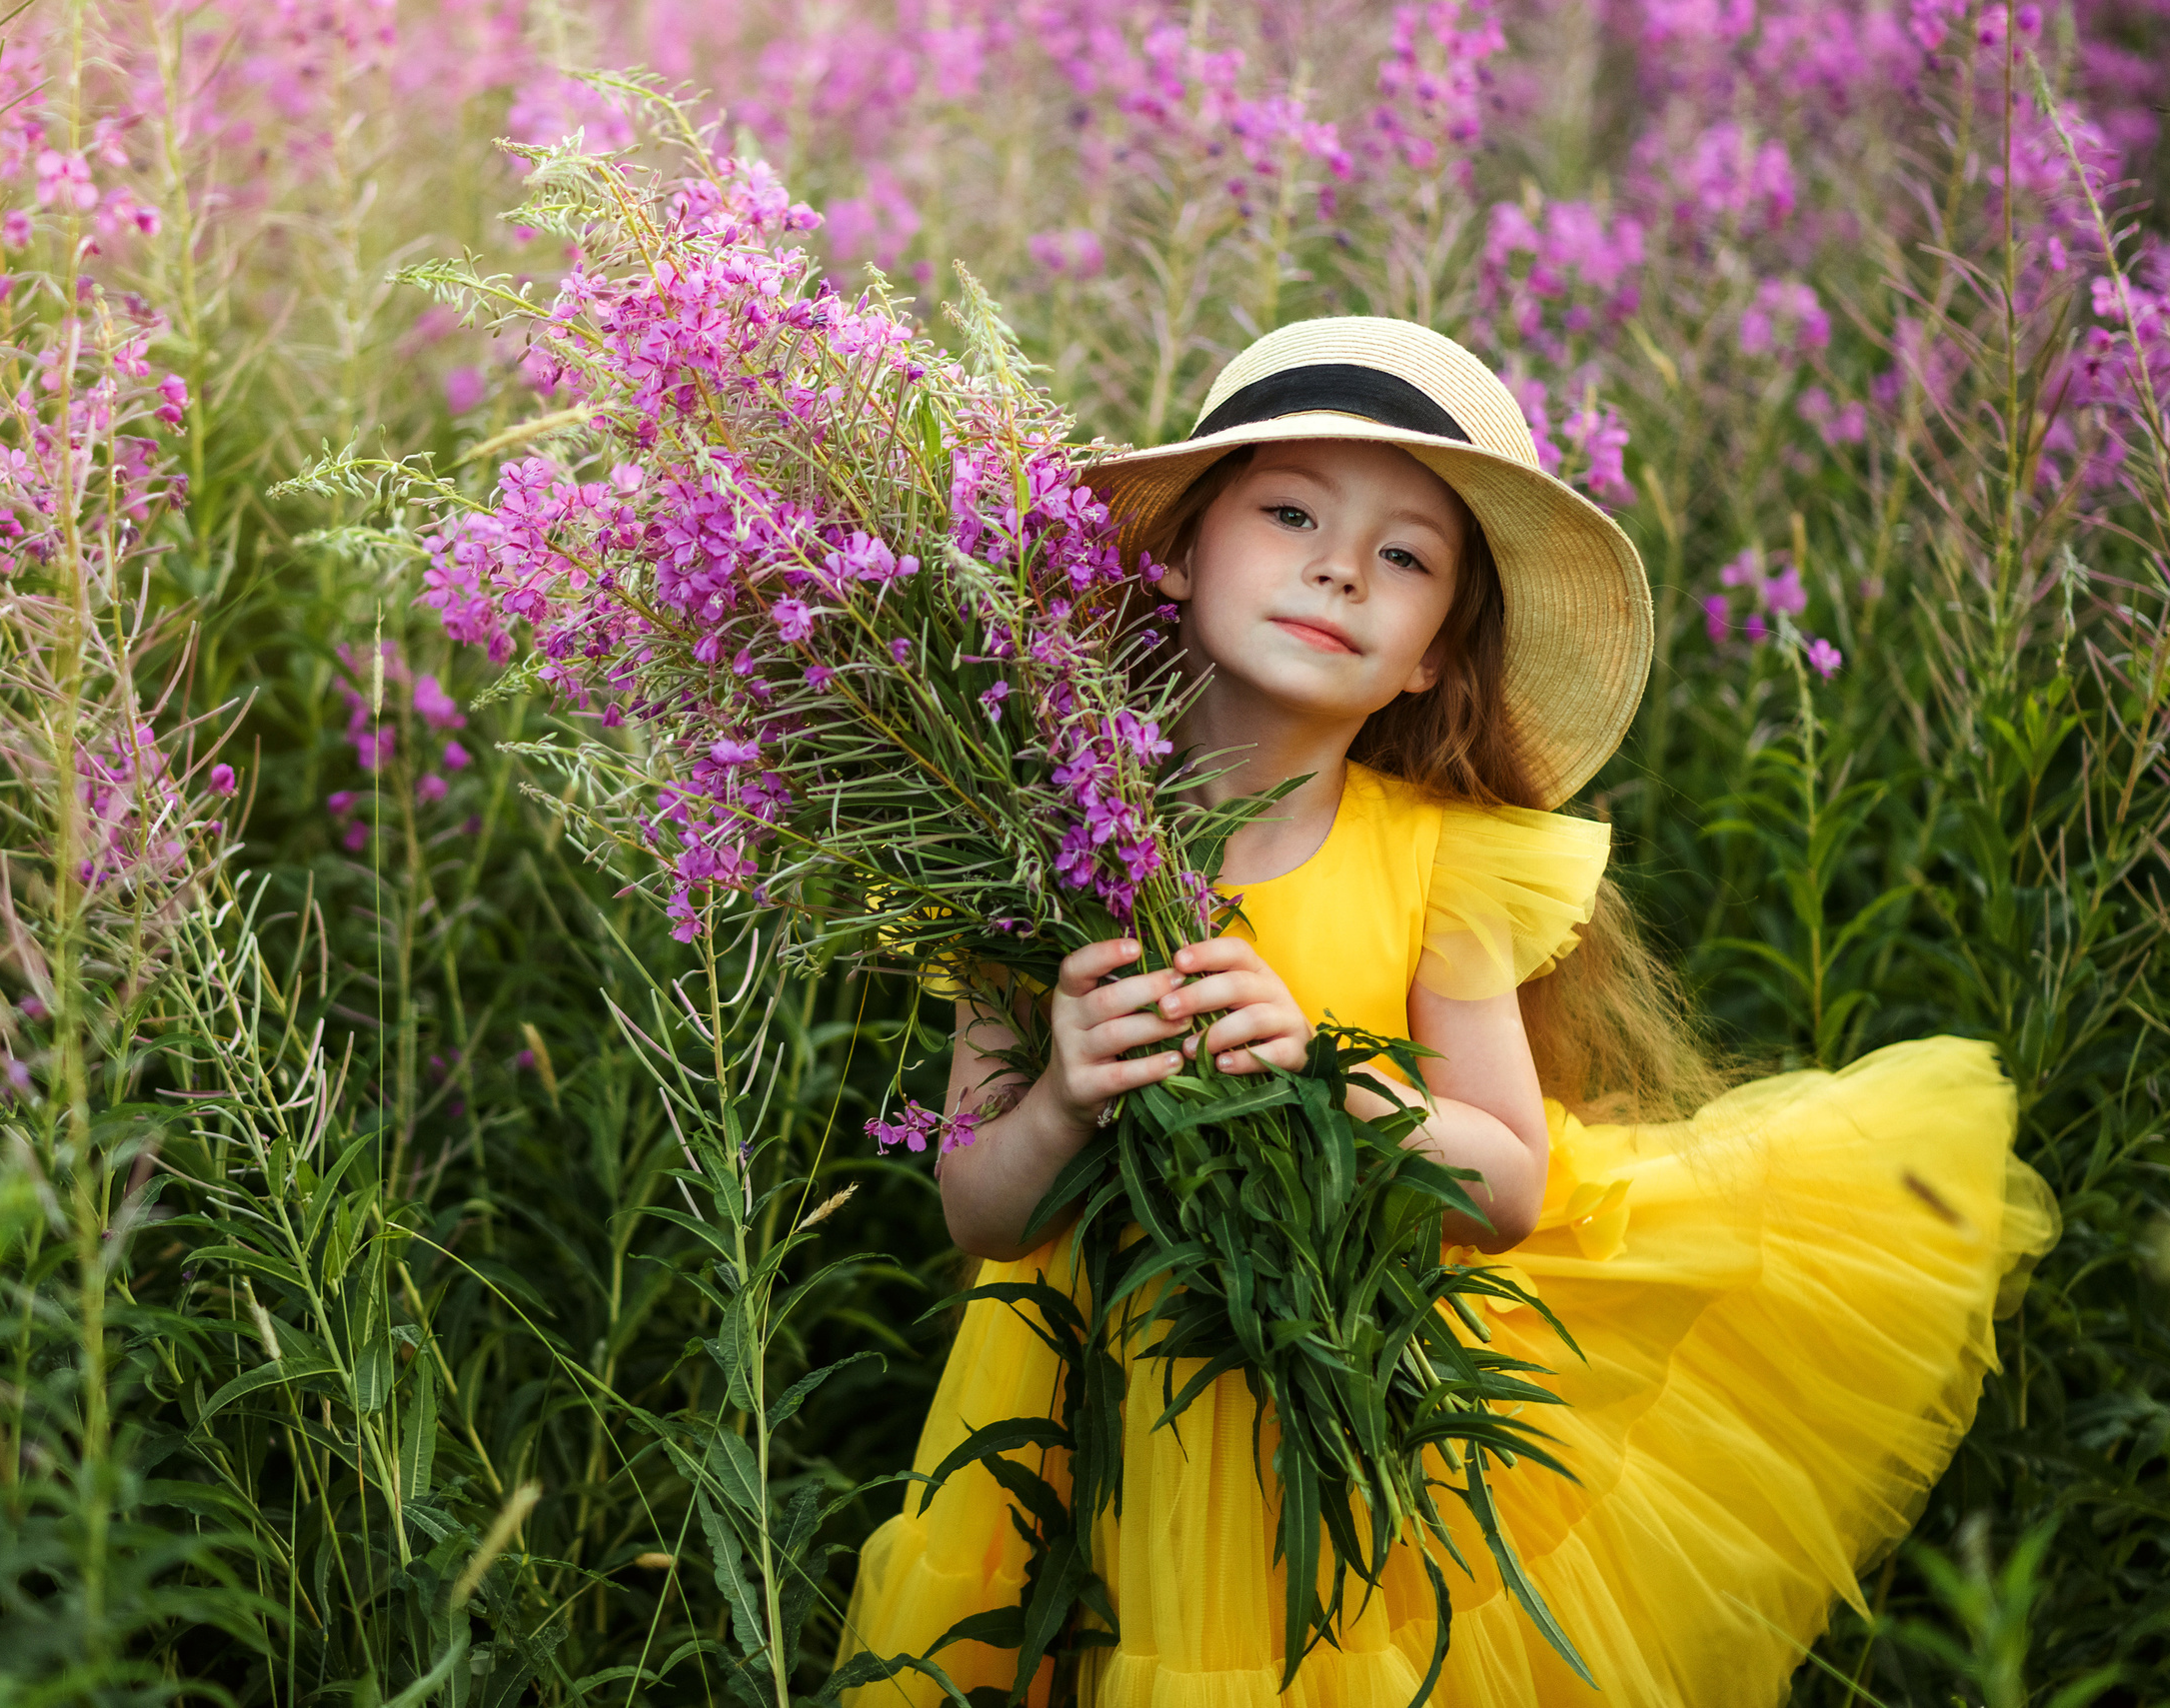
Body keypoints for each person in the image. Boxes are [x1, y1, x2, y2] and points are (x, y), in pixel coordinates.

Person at [833, 317, 2060, 1706]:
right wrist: (1061, 1097)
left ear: (1429, 654)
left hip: (1343, 1416)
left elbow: (1509, 1181)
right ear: (1173, 555)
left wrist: (1321, 1067)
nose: (1340, 565)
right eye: (1289, 509)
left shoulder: (1439, 859)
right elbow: (978, 1211)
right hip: (1080, 1427)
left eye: (1404, 555)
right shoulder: (1024, 843)